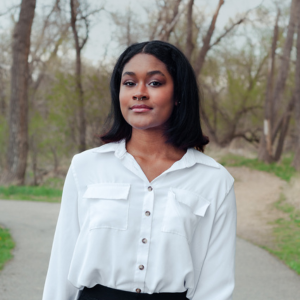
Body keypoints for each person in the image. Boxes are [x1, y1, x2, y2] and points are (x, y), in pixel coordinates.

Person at [42, 40, 237, 300]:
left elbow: (216, 284)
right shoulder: (87, 167)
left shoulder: (214, 180)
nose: (139, 93)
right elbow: (61, 263)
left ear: (179, 94)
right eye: (129, 83)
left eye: (155, 83)